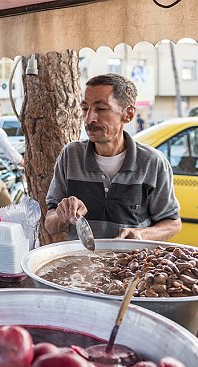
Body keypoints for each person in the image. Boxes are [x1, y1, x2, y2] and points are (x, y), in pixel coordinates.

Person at [45, 73, 181, 241]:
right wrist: (62, 215)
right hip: (82, 264)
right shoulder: (71, 156)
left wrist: (141, 234)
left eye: (101, 109)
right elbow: (50, 225)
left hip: (134, 264)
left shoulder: (152, 163)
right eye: (85, 108)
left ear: (128, 114)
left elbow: (173, 223)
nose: (89, 118)